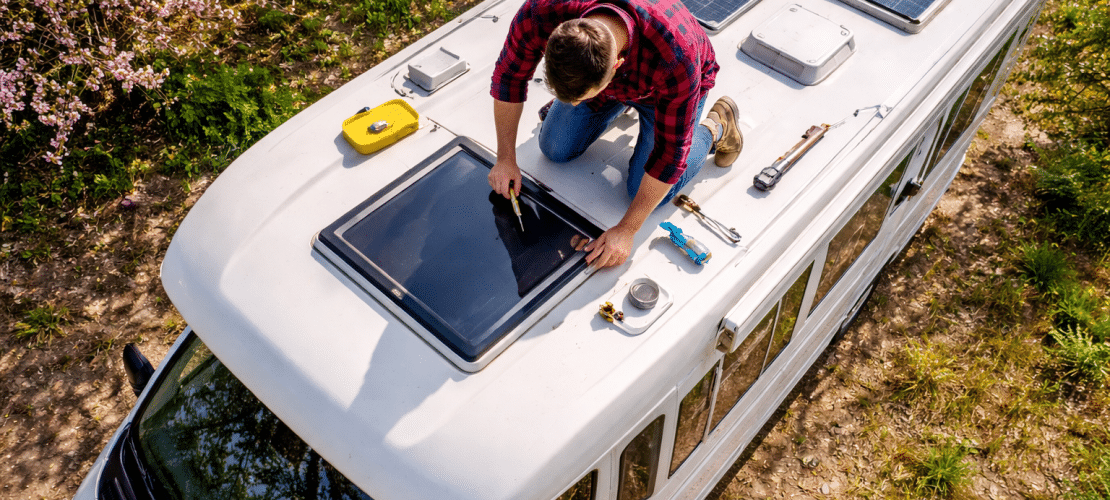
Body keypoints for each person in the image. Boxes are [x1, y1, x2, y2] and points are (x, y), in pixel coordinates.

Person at [488, 0, 743, 269]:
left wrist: (627, 230)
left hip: (661, 95)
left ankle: (716, 128)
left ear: (616, 66)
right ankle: (613, 105)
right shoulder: (543, 11)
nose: (573, 104)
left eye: (579, 98)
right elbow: (508, 78)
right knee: (554, 148)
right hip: (615, 81)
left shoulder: (675, 55)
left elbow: (670, 155)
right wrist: (505, 157)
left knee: (639, 192)